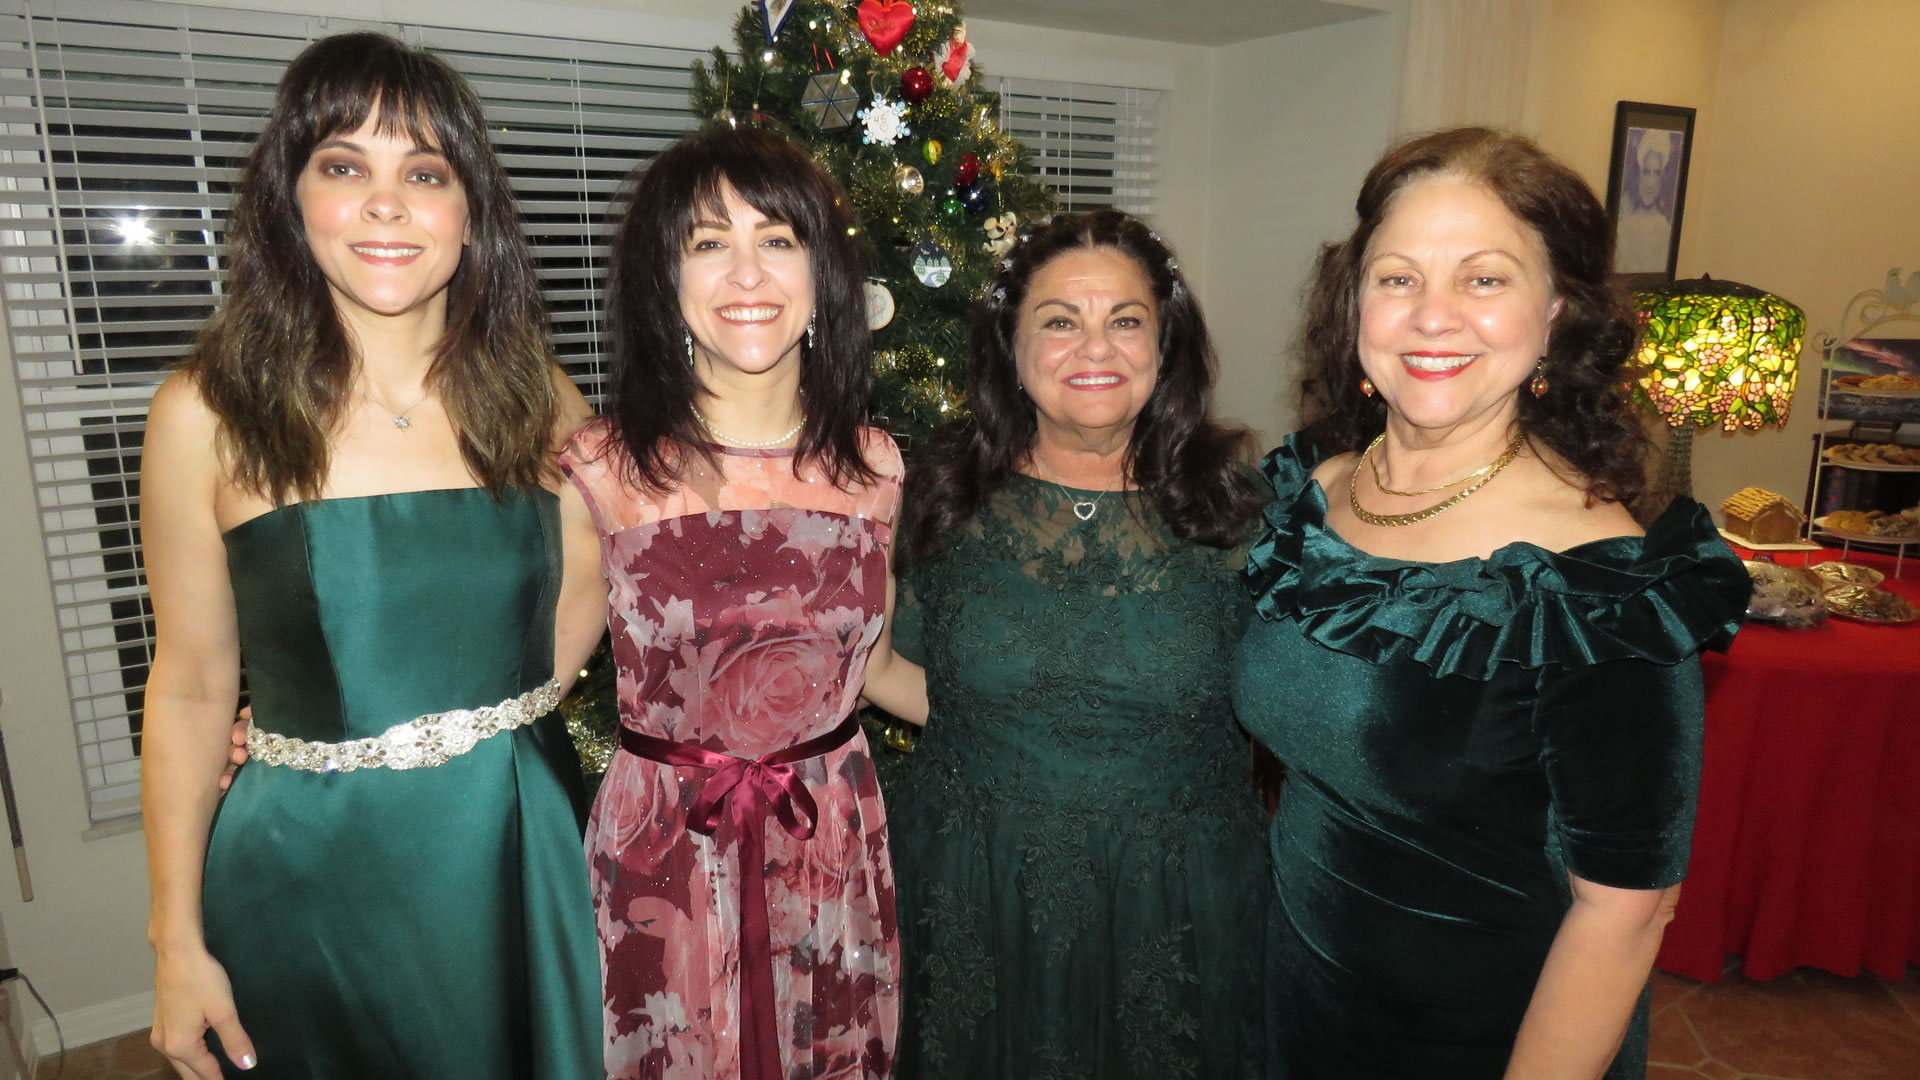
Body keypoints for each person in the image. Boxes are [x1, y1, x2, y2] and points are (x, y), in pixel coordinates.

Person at [1231, 126, 1749, 1079]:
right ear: (1355, 304)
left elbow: (1625, 912)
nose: (1433, 316)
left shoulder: (1596, 589)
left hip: (1477, 1035)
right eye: (1399, 278)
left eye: (1483, 279)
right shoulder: (1319, 491)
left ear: (1554, 312)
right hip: (1299, 990)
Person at [140, 32, 604, 1080]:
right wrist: (174, 940)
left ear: (470, 214)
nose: (386, 205)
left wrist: (504, 721)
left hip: (516, 860)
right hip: (303, 879)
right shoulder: (203, 415)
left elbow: (604, 584)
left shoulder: (543, 401)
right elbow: (191, 686)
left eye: (425, 174)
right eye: (345, 167)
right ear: (292, 200)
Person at [558, 124, 925, 1080]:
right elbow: (533, 674)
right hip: (665, 852)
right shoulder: (603, 468)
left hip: (829, 843)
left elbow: (876, 669)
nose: (747, 272)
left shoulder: (875, 468)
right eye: (709, 242)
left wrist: (1059, 717)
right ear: (666, 279)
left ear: (820, 275)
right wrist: (325, 733)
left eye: (777, 238)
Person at [886, 209, 1272, 1079]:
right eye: (1060, 322)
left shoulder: (1241, 512)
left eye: (1125, 320)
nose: (1095, 348)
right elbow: (905, 674)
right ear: (1012, 349)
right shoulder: (941, 496)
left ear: (1165, 345)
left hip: (1175, 898)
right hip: (976, 884)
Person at [1615, 128, 1676, 275]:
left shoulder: (1665, 229)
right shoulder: (1624, 225)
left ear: (1662, 178)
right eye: (1646, 172)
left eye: (1656, 173)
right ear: (1639, 175)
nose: (1650, 183)